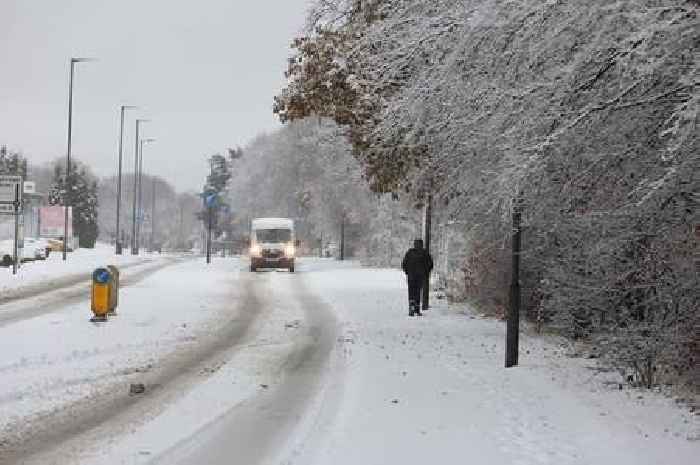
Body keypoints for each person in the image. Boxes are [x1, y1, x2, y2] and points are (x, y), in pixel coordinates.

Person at [401, 239, 433, 317]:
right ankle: (417, 309)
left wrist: (407, 272)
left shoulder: (410, 252)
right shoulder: (425, 253)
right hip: (420, 277)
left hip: (411, 277)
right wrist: (426, 272)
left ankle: (411, 309)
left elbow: (404, 264)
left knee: (411, 293)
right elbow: (430, 264)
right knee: (418, 292)